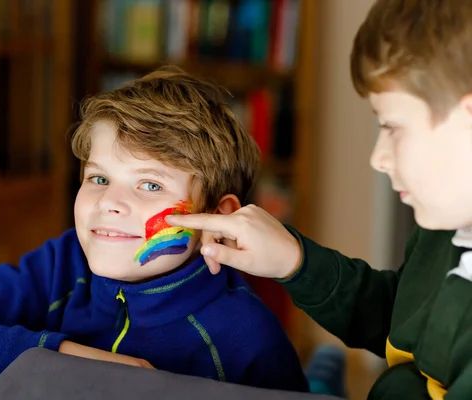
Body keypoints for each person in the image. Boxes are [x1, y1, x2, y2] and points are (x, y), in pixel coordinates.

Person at [0, 67, 310, 393]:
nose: (109, 203)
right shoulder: (63, 266)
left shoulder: (247, 337)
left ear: (219, 219)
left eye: (150, 184)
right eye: (98, 178)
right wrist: (65, 357)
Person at [166, 0, 472, 398]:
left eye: (393, 127)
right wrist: (295, 261)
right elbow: (399, 318)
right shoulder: (444, 232)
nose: (377, 158)